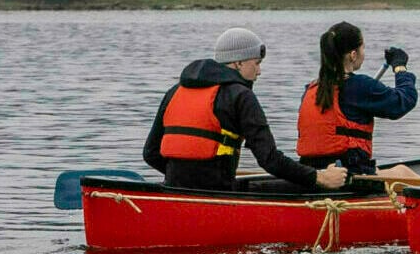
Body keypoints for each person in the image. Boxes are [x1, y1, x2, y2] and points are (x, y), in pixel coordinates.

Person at [143, 28, 344, 191]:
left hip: (175, 188)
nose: (259, 71)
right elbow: (270, 160)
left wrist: (184, 180)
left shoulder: (174, 91)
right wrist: (319, 177)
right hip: (219, 192)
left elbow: (150, 153)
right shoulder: (241, 96)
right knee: (306, 186)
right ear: (238, 62)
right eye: (256, 63)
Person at [298, 22, 420, 181]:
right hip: (345, 176)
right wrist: (400, 68)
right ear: (353, 55)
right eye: (363, 48)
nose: (364, 53)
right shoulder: (359, 85)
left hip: (312, 174)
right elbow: (403, 102)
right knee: (402, 171)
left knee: (378, 169)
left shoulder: (311, 89)